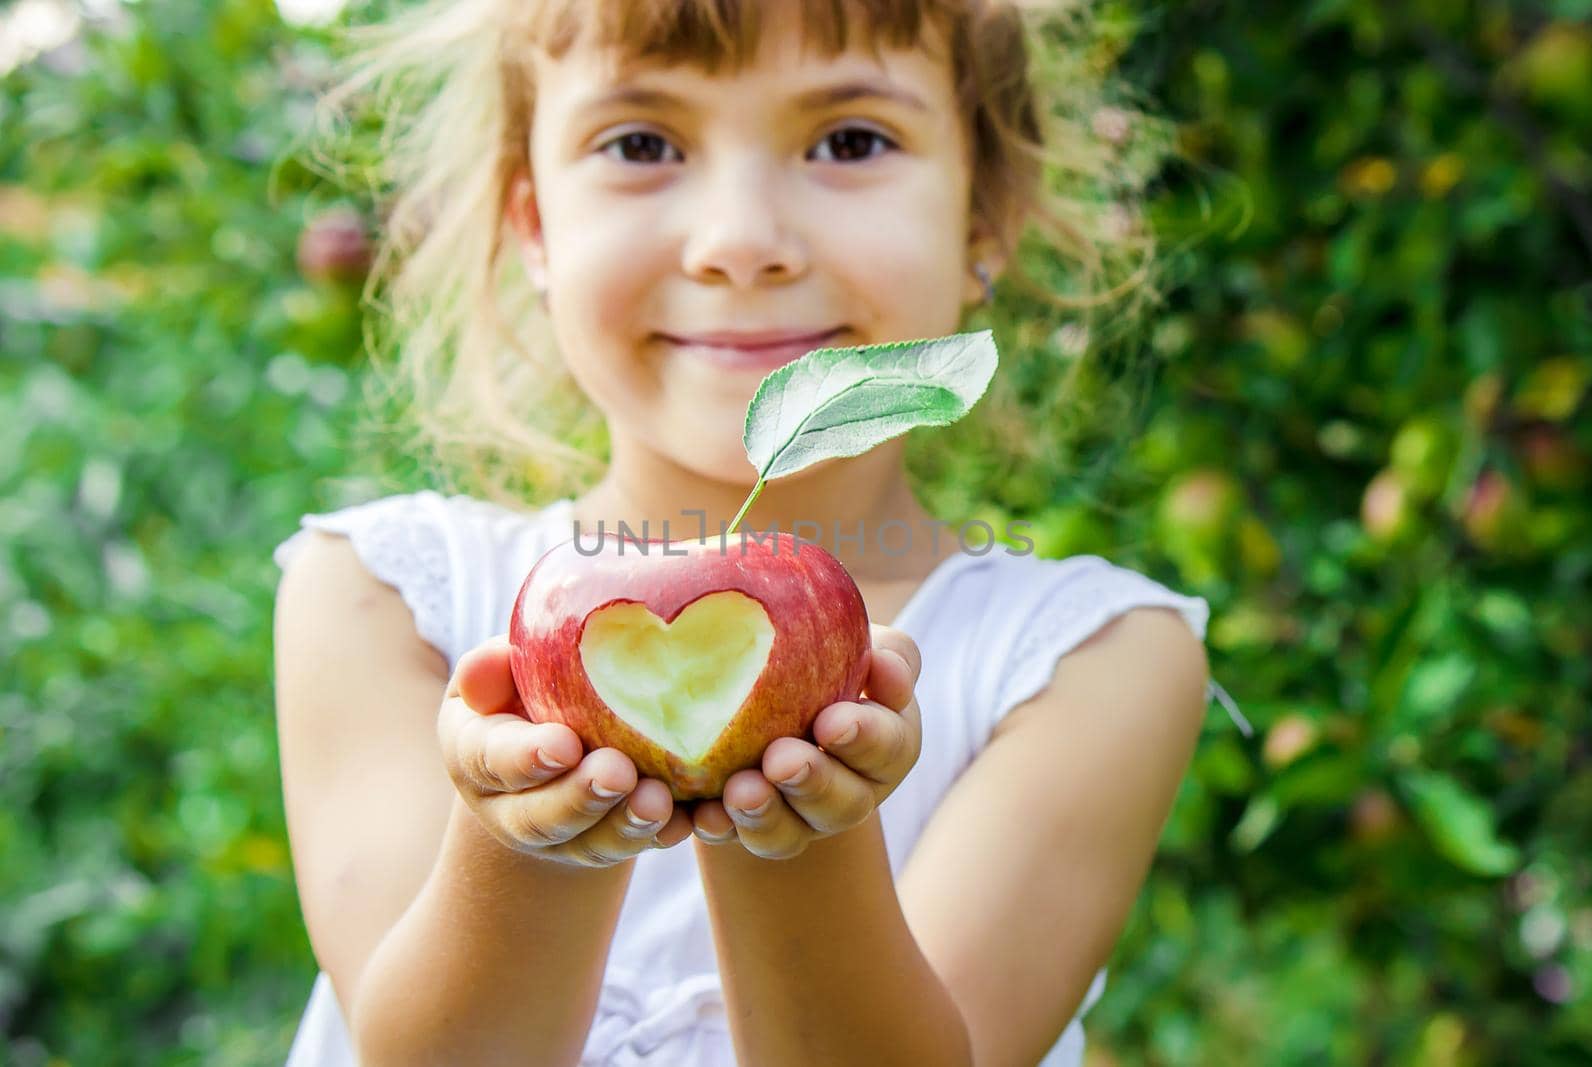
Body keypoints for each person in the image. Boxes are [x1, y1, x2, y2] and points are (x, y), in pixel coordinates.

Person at [272, 1, 1246, 1064]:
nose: (741, 242)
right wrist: (530, 836)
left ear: (986, 214)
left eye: (849, 141)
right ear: (534, 224)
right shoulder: (384, 599)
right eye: (641, 143)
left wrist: (797, 827)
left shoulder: (1090, 658)